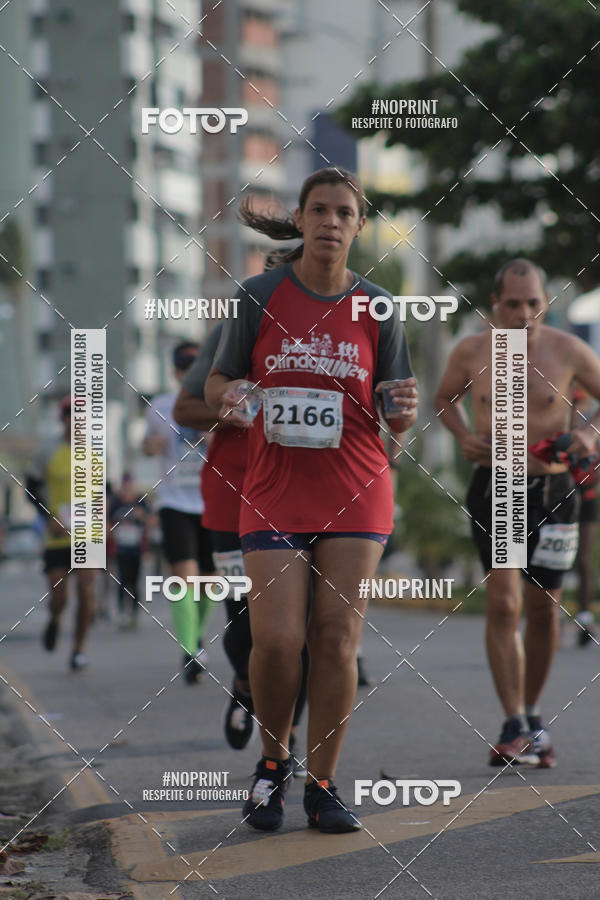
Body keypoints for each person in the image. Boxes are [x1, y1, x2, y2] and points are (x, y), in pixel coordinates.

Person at [205, 167, 417, 833]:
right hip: (273, 490)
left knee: (335, 638)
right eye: (319, 210)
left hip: (356, 488)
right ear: (299, 219)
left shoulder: (379, 307)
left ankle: (323, 785)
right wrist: (229, 397)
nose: (331, 221)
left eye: (344, 212)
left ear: (359, 226)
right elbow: (216, 381)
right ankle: (273, 765)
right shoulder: (258, 295)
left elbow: (397, 406)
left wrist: (403, 410)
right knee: (276, 639)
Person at [436, 258, 600, 768]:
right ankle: (513, 721)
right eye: (513, 304)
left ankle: (532, 715)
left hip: (554, 488)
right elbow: (444, 399)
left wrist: (588, 434)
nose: (524, 314)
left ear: (546, 303)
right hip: (499, 487)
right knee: (505, 603)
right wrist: (464, 436)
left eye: (533, 303)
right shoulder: (472, 350)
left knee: (544, 609)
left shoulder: (568, 350)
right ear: (495, 306)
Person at [174, 324, 309, 772]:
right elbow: (184, 408)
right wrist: (228, 412)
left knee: (301, 627)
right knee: (244, 619)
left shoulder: (332, 324)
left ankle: (285, 736)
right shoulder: (236, 329)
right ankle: (246, 686)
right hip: (233, 497)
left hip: (304, 495)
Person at [142, 342, 214, 683]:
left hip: (211, 501)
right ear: (176, 372)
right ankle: (189, 650)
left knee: (210, 582)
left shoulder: (216, 402)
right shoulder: (160, 406)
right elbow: (146, 443)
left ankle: (196, 636)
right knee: (184, 576)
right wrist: (149, 446)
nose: (191, 372)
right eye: (185, 367)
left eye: (197, 365)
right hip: (174, 501)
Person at [25, 396, 96, 671]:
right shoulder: (48, 452)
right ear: (63, 419)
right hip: (57, 535)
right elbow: (31, 490)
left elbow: (106, 491)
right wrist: (48, 517)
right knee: (59, 597)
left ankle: (79, 650)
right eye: (71, 416)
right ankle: (55, 619)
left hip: (87, 534)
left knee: (87, 589)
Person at [570, 383, 599, 646]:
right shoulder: (557, 430)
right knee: (551, 560)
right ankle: (547, 615)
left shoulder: (592, 431)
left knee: (584, 561)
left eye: (580, 403)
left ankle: (584, 616)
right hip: (559, 499)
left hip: (587, 497)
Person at [109, 472, 148, 628]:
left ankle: (134, 614)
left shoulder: (140, 501)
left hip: (136, 548)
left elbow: (150, 521)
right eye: (125, 486)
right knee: (122, 580)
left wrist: (142, 516)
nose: (127, 489)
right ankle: (122, 613)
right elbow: (108, 522)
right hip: (120, 548)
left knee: (135, 581)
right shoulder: (116, 502)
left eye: (129, 486)